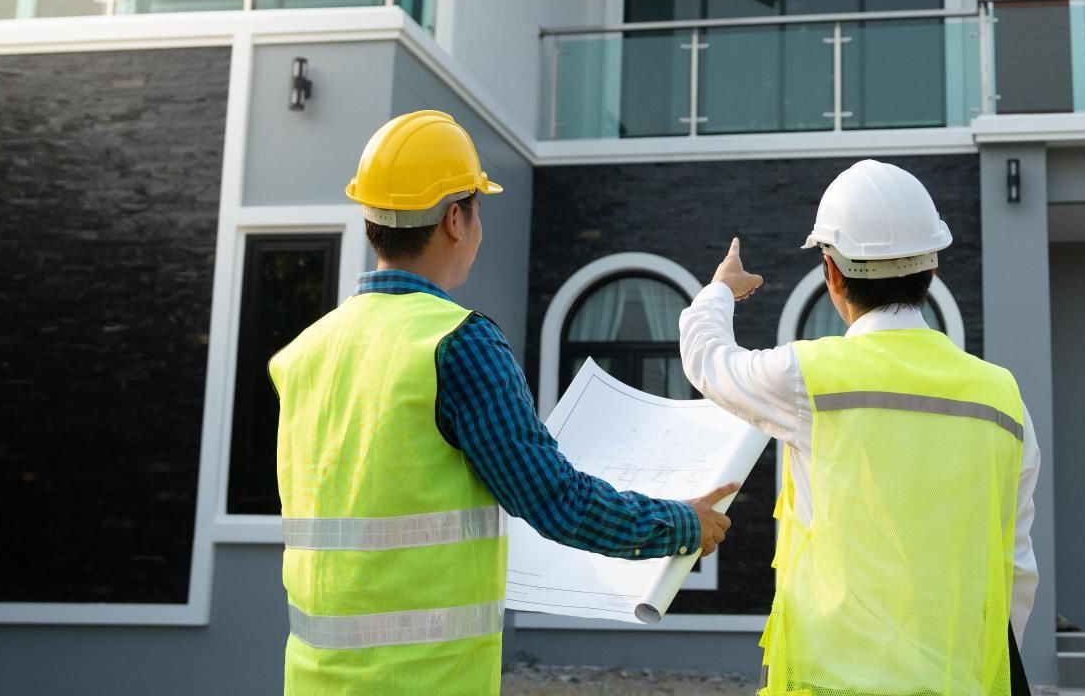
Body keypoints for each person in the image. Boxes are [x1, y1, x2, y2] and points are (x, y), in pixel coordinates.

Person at [270, 110, 738, 695]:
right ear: (455, 219)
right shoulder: (457, 343)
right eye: (478, 208)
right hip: (426, 684)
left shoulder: (304, 352)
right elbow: (557, 501)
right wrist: (681, 524)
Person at [680, 159, 1039, 695]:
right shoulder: (1002, 396)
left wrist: (721, 291)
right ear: (932, 268)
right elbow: (1016, 565)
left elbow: (706, 358)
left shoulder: (808, 377)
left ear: (833, 272)